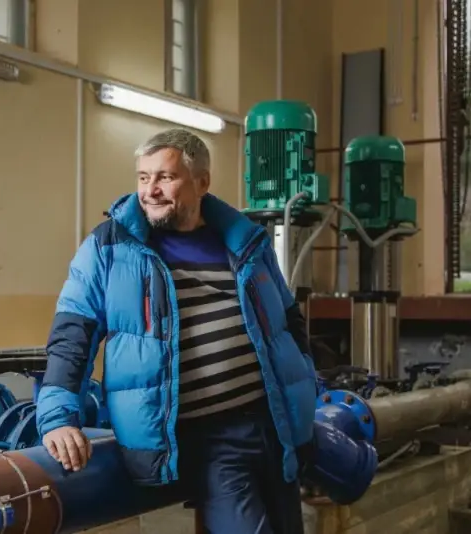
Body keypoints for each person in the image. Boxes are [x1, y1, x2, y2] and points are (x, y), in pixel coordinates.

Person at [36, 128, 317, 534]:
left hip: (272, 422)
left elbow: (288, 320)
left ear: (202, 182)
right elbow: (71, 337)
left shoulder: (245, 242)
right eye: (143, 177)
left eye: (165, 177)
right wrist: (59, 418)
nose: (150, 190)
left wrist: (306, 383)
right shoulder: (109, 249)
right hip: (209, 436)